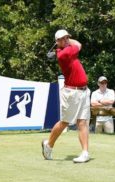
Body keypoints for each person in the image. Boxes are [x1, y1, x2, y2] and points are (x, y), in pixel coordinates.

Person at [42, 29, 91, 163]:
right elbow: (79, 44)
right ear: (57, 42)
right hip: (71, 93)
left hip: (84, 91)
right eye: (62, 39)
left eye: (67, 38)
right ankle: (49, 144)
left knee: (83, 121)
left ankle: (85, 152)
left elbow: (75, 44)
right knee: (65, 122)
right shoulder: (64, 53)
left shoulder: (66, 48)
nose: (66, 40)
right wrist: (69, 41)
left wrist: (66, 39)